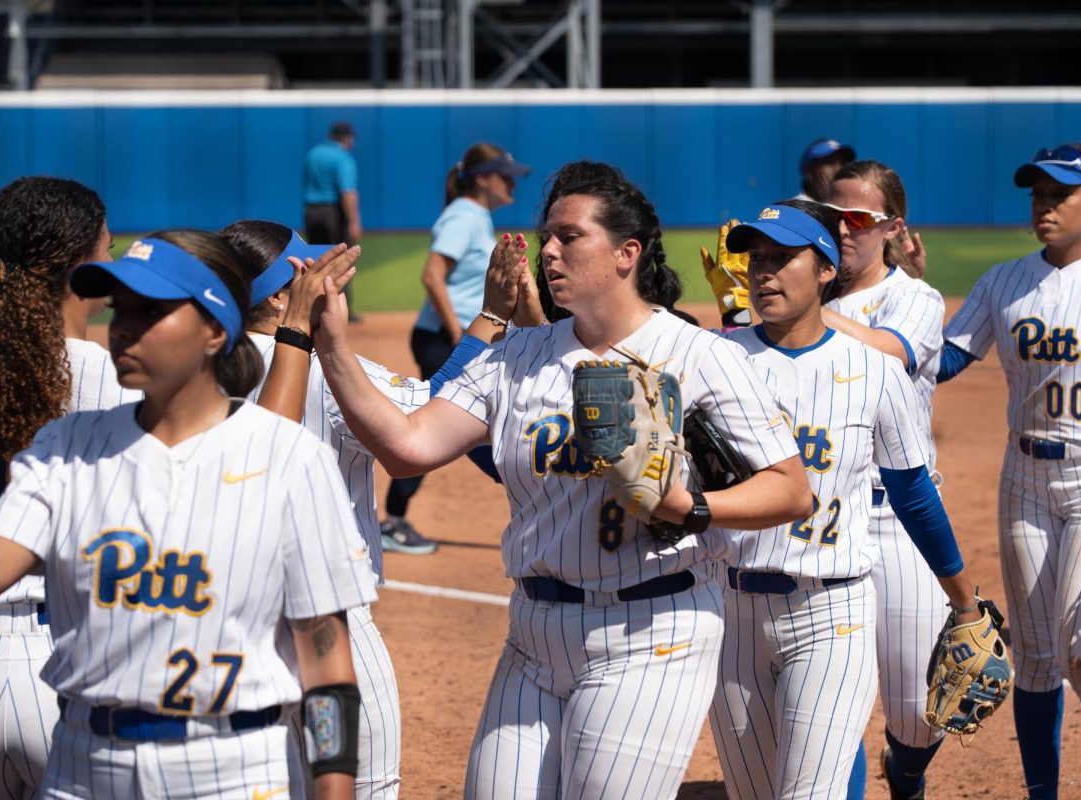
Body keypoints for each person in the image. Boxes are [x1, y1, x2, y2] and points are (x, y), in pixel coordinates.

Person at [311, 161, 812, 798]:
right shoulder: (519, 356)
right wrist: (328, 344)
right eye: (547, 235)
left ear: (626, 253)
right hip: (534, 636)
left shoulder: (698, 354)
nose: (548, 249)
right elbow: (409, 447)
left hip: (653, 630)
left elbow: (791, 488)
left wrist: (691, 508)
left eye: (570, 236)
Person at [0, 230, 375, 799]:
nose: (124, 326)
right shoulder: (68, 446)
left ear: (214, 330)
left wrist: (335, 792)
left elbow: (328, 674)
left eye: (151, 310)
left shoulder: (289, 458)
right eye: (120, 308)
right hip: (84, 768)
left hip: (235, 771)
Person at [222, 220, 534, 798]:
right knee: (364, 787)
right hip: (331, 634)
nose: (333, 280)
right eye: (313, 272)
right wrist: (492, 317)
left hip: (234, 634)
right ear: (279, 297)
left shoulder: (200, 368)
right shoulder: (323, 370)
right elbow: (428, 417)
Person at [708, 200, 988, 800]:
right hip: (731, 615)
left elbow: (912, 491)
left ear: (827, 271)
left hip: (830, 613)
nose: (763, 272)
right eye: (756, 259)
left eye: (783, 258)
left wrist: (965, 604)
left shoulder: (873, 370)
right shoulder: (716, 360)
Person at [938, 142, 1081, 800]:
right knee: (1035, 659)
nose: (1043, 205)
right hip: (1024, 477)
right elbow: (944, 363)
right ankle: (1042, 793)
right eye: (1036, 193)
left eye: (1059, 193)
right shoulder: (1003, 281)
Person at [0, 176, 140, 799]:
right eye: (107, 248)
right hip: (59, 666)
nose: (114, 263)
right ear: (78, 267)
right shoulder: (111, 373)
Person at [815, 160, 952, 800]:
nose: (842, 230)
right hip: (821, 521)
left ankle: (908, 771)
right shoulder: (802, 292)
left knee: (916, 709)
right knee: (828, 706)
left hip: (899, 519)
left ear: (893, 228)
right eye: (831, 216)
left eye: (858, 220)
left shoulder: (915, 297)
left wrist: (802, 318)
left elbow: (891, 352)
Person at [382, 143, 530, 555]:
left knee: (461, 422)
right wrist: (457, 336)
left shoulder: (476, 217)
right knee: (446, 425)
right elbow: (432, 275)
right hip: (443, 339)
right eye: (505, 175)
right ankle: (393, 520)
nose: (512, 181)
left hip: (459, 338)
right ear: (483, 179)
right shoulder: (463, 217)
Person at [304, 120, 364, 321]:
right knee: (340, 261)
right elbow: (347, 192)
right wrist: (354, 221)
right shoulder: (342, 157)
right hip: (333, 213)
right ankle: (340, 308)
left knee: (316, 261)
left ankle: (314, 307)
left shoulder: (312, 154)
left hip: (311, 212)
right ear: (347, 138)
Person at [797, 138, 856, 203]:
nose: (838, 169)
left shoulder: (852, 209)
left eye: (843, 163)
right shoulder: (792, 210)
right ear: (809, 171)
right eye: (830, 162)